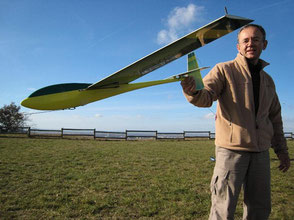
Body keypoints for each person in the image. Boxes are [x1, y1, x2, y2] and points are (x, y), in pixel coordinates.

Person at [181, 24, 290, 220]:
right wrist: (194, 92)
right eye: (245, 40)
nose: (251, 44)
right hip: (231, 152)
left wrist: (281, 151)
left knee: (260, 209)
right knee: (223, 209)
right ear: (238, 47)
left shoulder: (268, 81)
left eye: (256, 40)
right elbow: (206, 96)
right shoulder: (224, 70)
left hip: (261, 153)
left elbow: (275, 119)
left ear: (264, 44)